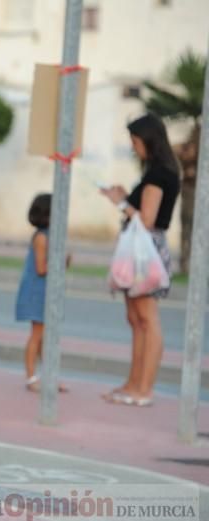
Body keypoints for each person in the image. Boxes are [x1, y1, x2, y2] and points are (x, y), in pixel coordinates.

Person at [100, 113, 180, 407]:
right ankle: (132, 384)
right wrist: (124, 197)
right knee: (135, 318)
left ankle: (143, 389)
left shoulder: (160, 175)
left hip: (147, 251)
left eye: (135, 141)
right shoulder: (156, 172)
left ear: (149, 141)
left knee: (146, 318)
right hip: (141, 250)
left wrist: (120, 202)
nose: (133, 147)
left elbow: (146, 220)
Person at [15, 193, 69, 393]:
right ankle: (31, 377)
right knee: (37, 336)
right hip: (38, 292)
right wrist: (60, 262)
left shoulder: (49, 235)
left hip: (46, 292)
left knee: (45, 338)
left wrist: (64, 260)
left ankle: (49, 377)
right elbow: (41, 268)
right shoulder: (42, 238)